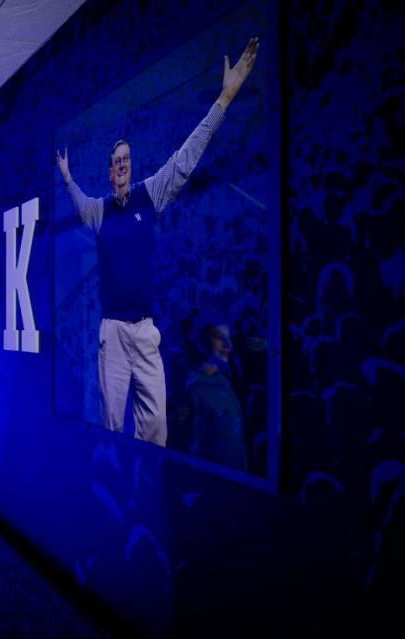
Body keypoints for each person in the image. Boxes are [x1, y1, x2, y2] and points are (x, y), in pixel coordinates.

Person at [55, 36, 260, 446]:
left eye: (127, 160)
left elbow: (187, 155)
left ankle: (146, 497)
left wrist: (224, 98)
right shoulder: (99, 211)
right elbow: (78, 203)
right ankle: (114, 496)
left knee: (155, 430)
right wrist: (66, 176)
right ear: (110, 170)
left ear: (133, 167)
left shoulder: (152, 194)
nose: (122, 166)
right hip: (112, 333)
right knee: (113, 425)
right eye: (116, 162)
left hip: (145, 332)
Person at [186, 320, 248, 470]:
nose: (228, 344)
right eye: (220, 338)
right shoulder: (198, 383)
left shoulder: (229, 379)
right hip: (213, 468)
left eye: (228, 337)